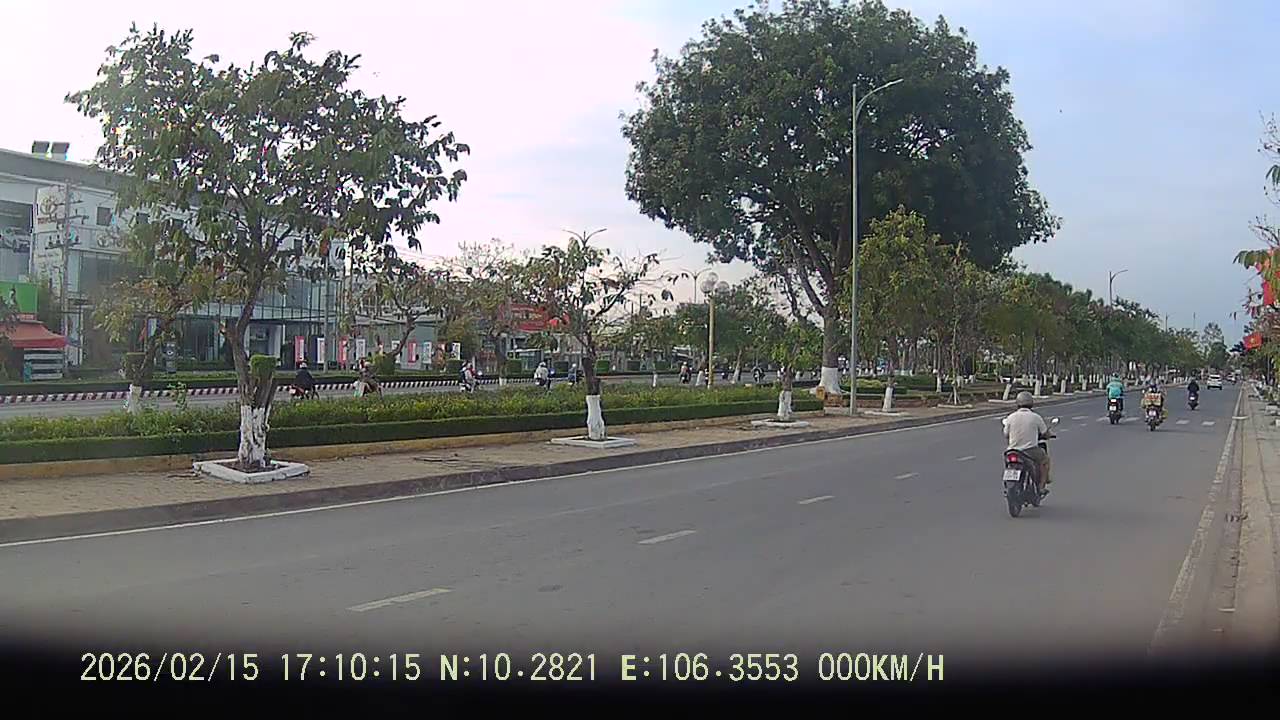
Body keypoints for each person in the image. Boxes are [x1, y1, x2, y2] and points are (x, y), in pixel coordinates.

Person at [1003, 391, 1052, 493]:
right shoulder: (1035, 417)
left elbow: (1006, 434)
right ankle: (1041, 486)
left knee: (1008, 463)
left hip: (1012, 450)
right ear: (1031, 403)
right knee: (1045, 461)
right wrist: (1048, 435)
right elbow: (1045, 433)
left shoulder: (1011, 417)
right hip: (1030, 450)